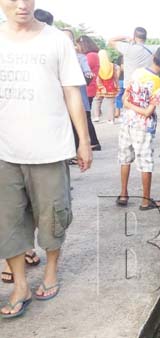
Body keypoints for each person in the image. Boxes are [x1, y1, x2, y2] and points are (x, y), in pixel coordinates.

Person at [0, 0, 92, 319]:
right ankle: (21, 285)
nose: (21, 5)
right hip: (4, 150)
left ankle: (51, 270)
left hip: (50, 148)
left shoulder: (57, 40)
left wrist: (83, 141)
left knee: (53, 217)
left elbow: (71, 92)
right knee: (8, 222)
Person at [117, 46, 160, 210]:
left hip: (127, 122)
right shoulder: (159, 84)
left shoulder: (137, 72)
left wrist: (129, 105)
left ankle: (123, 194)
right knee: (145, 162)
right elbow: (148, 112)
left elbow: (125, 97)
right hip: (142, 127)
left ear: (154, 56)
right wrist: (137, 108)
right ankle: (145, 200)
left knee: (125, 158)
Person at [62, 28, 102, 158]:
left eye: (68, 39)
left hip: (78, 96)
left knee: (81, 121)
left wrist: (87, 75)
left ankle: (82, 148)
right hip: (60, 99)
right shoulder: (55, 55)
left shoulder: (81, 57)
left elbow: (87, 73)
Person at [76, 35, 100, 122]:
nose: (76, 47)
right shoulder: (93, 54)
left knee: (85, 118)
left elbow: (83, 71)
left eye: (77, 44)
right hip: (90, 88)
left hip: (87, 88)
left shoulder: (89, 56)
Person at [92, 50, 120, 123]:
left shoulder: (97, 66)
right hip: (111, 87)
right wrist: (117, 85)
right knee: (111, 103)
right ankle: (111, 120)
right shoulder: (112, 65)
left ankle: (96, 117)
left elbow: (97, 78)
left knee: (97, 100)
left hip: (100, 87)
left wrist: (101, 87)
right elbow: (116, 77)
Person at [114, 54, 125, 120]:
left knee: (119, 96)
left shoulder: (121, 57)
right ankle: (118, 112)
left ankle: (118, 112)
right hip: (126, 79)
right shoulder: (121, 57)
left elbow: (119, 69)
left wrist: (116, 80)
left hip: (121, 79)